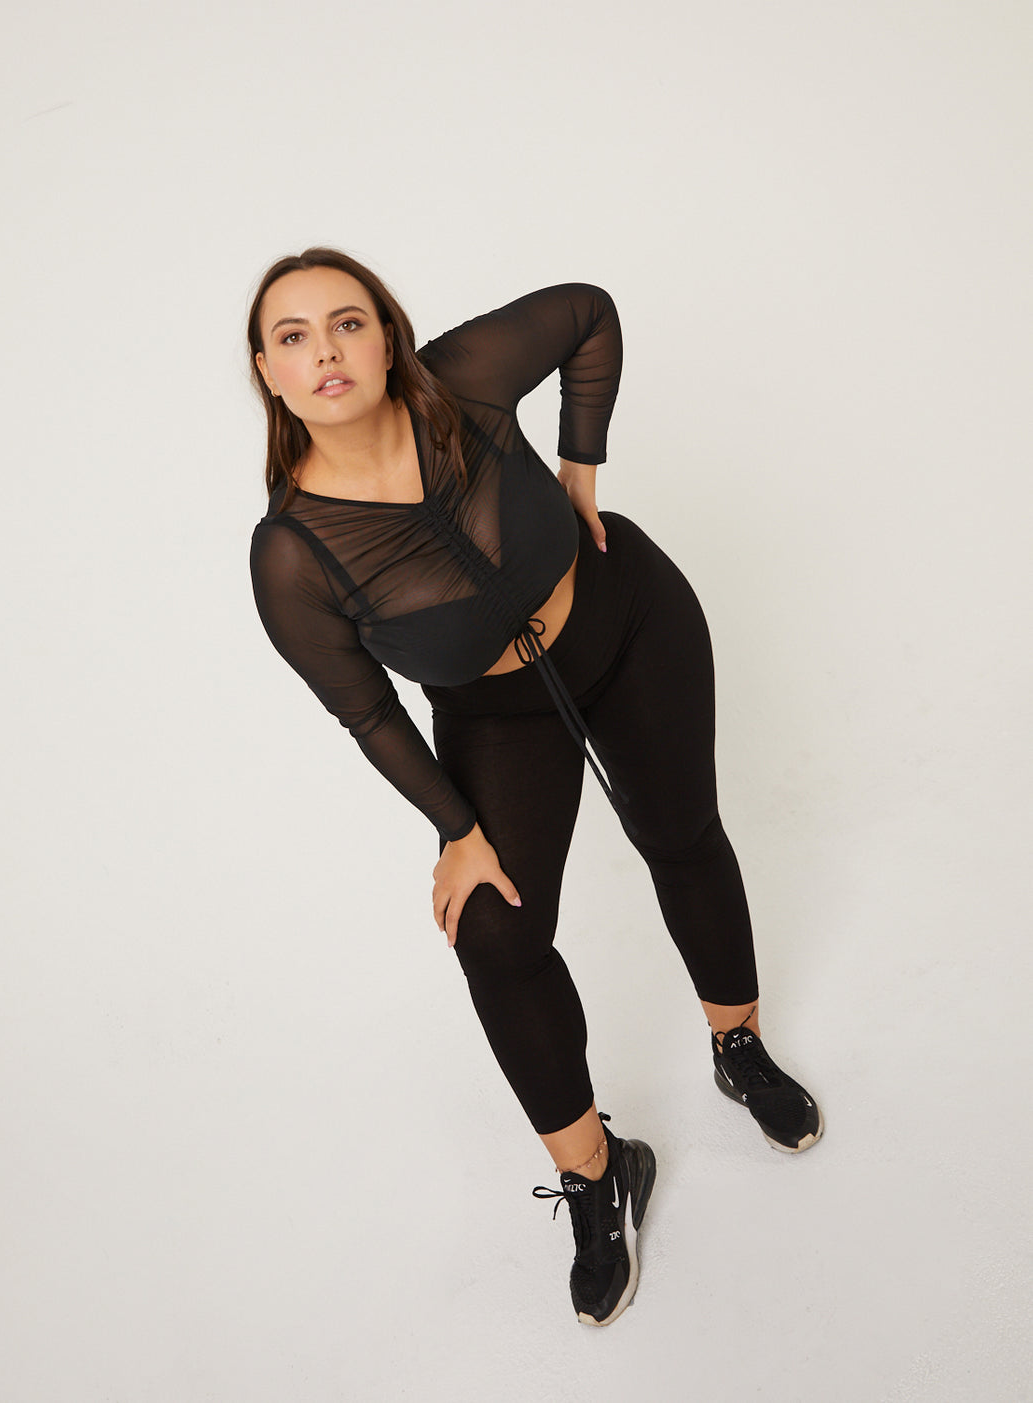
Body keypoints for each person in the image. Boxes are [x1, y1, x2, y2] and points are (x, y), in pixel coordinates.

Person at [246, 247, 823, 1327]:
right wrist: (456, 830)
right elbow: (369, 713)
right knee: (494, 934)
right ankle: (599, 1171)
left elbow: (587, 312)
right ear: (268, 373)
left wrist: (578, 472)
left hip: (625, 613)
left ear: (387, 337)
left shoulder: (460, 379)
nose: (326, 350)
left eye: (347, 322)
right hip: (493, 712)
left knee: (678, 832)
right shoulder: (292, 554)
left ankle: (737, 1044)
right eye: (293, 335)